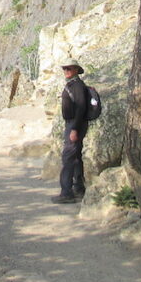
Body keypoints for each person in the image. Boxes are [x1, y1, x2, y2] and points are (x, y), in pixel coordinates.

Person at [52, 63, 88, 204]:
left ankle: (66, 192)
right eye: (64, 68)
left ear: (77, 70)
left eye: (69, 68)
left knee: (68, 157)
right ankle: (79, 189)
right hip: (73, 124)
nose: (66, 71)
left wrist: (74, 129)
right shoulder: (73, 84)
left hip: (74, 124)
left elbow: (81, 108)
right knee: (76, 157)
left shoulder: (77, 86)